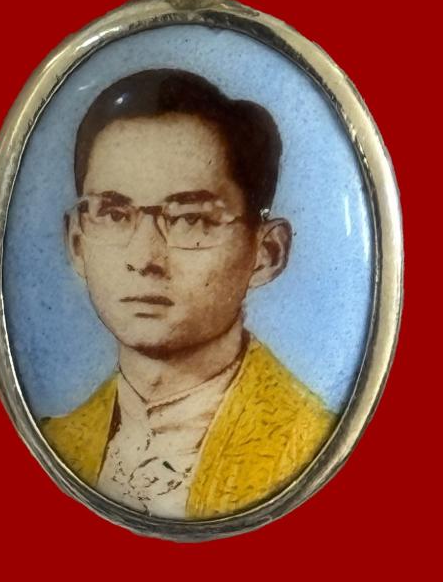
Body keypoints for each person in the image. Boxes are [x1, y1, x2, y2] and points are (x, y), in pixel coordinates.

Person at [41, 69, 335, 519]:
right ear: (77, 245)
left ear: (266, 253)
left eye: (191, 219)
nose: (145, 258)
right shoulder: (57, 442)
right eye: (114, 215)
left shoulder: (307, 442)